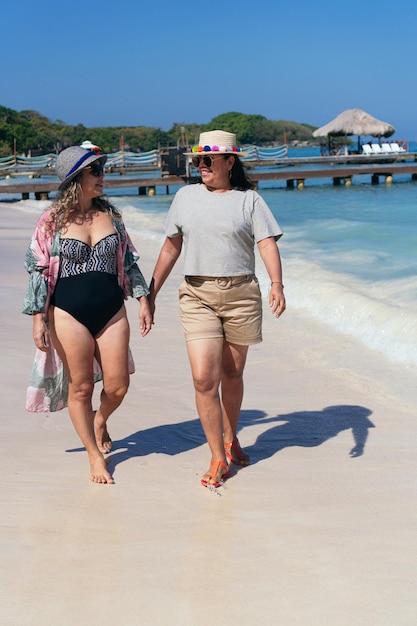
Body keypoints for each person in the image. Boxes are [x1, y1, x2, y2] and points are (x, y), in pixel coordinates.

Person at [149, 130, 285, 489]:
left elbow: (267, 244)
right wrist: (149, 293)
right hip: (197, 294)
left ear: (229, 162)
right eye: (199, 160)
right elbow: (170, 248)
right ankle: (216, 456)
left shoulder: (249, 201)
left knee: (232, 374)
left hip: (241, 294)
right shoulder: (185, 196)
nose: (202, 166)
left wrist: (277, 284)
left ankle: (230, 436)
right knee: (203, 378)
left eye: (209, 160)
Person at [23, 146, 153, 484]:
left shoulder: (111, 215)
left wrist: (142, 299)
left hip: (111, 309)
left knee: (118, 385)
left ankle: (100, 419)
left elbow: (128, 262)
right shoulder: (51, 221)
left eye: (101, 170)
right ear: (76, 178)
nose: (102, 177)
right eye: (95, 171)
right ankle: (95, 457)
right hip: (67, 312)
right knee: (79, 387)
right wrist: (38, 317)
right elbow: (38, 270)